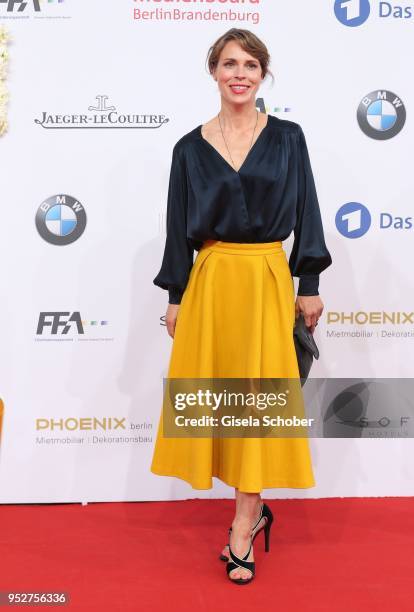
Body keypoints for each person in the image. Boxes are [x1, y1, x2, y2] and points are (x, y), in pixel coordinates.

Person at [151, 28, 332, 584]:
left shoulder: (288, 137)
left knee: (258, 405)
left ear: (263, 74)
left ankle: (244, 522)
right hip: (210, 280)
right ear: (213, 72)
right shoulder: (188, 147)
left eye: (250, 64)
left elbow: (308, 207)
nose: (239, 73)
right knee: (218, 398)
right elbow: (177, 228)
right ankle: (244, 514)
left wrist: (308, 282)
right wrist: (177, 296)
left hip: (266, 278)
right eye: (229, 63)